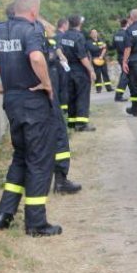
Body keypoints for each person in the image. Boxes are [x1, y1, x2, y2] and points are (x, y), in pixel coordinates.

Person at [0, 0, 62, 236]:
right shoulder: (31, 30)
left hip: (13, 102)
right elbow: (37, 58)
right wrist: (47, 84)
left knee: (21, 157)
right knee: (40, 161)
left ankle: (3, 215)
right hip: (34, 102)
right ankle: (36, 223)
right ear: (33, 10)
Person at [38, 17, 82, 195]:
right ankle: (61, 181)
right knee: (59, 136)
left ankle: (43, 182)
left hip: (25, 99)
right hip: (46, 95)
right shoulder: (36, 37)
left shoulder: (6, 34)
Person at [59, 15, 97, 131]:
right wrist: (91, 70)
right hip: (79, 69)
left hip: (68, 69)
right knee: (82, 95)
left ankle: (71, 121)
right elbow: (82, 57)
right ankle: (81, 124)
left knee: (72, 95)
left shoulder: (64, 35)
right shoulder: (79, 37)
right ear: (79, 23)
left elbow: (59, 50)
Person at [87, 28, 112, 93]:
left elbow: (105, 48)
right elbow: (92, 49)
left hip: (102, 58)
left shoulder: (101, 40)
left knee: (105, 73)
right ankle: (98, 89)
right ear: (90, 35)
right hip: (95, 59)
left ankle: (109, 88)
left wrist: (101, 55)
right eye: (93, 33)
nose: (95, 34)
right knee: (97, 74)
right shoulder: (89, 42)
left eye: (95, 32)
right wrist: (100, 47)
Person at [55, 17, 70, 114]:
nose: (68, 27)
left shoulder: (55, 35)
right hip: (62, 64)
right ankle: (64, 108)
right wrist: (63, 58)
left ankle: (63, 107)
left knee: (61, 86)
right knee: (64, 86)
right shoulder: (61, 36)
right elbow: (58, 48)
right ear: (64, 25)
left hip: (57, 65)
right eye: (67, 25)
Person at [112, 18, 129, 101]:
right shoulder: (127, 34)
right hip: (126, 57)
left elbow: (113, 46)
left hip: (119, 56)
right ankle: (118, 96)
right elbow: (129, 47)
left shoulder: (116, 34)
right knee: (125, 76)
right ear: (127, 24)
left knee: (127, 75)